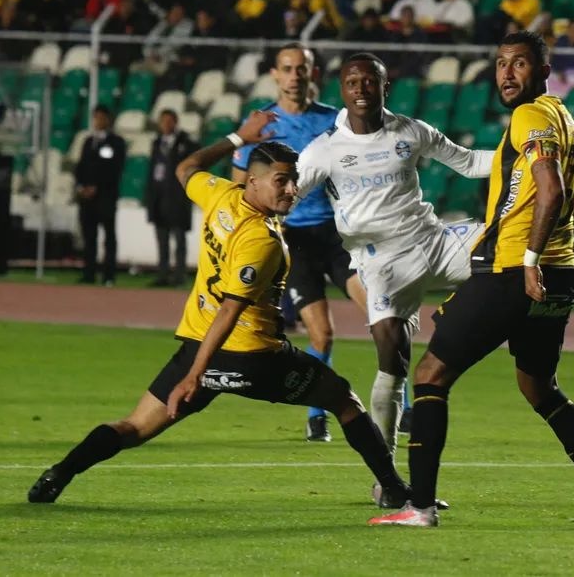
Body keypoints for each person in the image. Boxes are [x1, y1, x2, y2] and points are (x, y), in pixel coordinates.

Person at [291, 53, 574, 494]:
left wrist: (521, 158)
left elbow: (468, 162)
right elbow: (288, 193)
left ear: (386, 88)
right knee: (391, 360)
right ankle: (388, 481)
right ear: (341, 90)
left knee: (517, 248)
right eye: (352, 82)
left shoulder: (410, 130)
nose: (361, 89)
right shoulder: (324, 149)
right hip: (381, 262)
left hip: (434, 240)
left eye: (370, 81)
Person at [27, 126, 414, 509]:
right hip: (252, 357)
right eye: (282, 181)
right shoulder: (261, 240)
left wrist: (237, 138)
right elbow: (232, 310)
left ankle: (61, 472)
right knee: (344, 400)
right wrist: (196, 376)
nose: (292, 190)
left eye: (294, 181)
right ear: (253, 181)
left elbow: (186, 168)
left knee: (134, 427)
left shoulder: (219, 195)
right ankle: (393, 488)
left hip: (198, 346)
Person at [368, 31, 574, 529]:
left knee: (430, 374)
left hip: (517, 269)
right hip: (557, 276)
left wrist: (531, 254)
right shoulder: (566, 120)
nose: (507, 73)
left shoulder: (529, 117)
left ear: (543, 70)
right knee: (541, 390)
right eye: (500, 64)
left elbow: (553, 190)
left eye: (519, 64)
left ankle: (420, 506)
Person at [231, 42, 368, 443]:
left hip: (337, 236)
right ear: (275, 74)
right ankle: (316, 415)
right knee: (322, 335)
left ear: (313, 74)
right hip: (295, 242)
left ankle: (407, 408)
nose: (294, 76)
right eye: (287, 68)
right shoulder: (261, 126)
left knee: (383, 315)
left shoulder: (333, 121)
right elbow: (241, 191)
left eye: (301, 69)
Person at [74, 104, 126, 286]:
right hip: (87, 199)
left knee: (109, 237)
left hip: (105, 197)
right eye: (95, 117)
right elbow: (80, 166)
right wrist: (81, 186)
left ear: (108, 120)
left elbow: (114, 169)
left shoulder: (116, 143)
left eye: (101, 117)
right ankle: (88, 273)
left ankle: (109, 275)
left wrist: (96, 186)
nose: (98, 121)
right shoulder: (88, 141)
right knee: (89, 237)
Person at [146, 109, 198, 287]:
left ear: (175, 122)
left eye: (169, 121)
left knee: (179, 239)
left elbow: (195, 159)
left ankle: (179, 276)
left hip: (177, 198)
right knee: (162, 239)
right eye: (163, 121)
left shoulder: (185, 143)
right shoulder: (156, 143)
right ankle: (162, 275)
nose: (166, 125)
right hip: (159, 197)